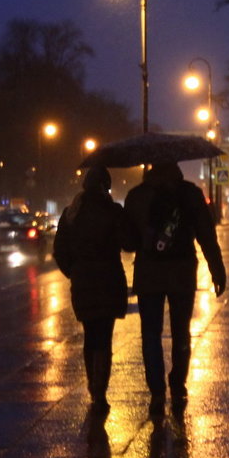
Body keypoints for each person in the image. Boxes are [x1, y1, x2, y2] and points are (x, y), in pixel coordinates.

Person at [124, 161, 226, 415]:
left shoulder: (137, 195)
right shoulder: (190, 193)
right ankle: (178, 385)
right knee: (181, 332)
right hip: (182, 271)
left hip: (149, 273)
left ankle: (157, 392)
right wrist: (217, 269)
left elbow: (127, 242)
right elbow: (206, 234)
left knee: (151, 334)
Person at [53, 166, 135, 415]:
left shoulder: (71, 214)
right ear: (105, 186)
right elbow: (129, 243)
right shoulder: (113, 211)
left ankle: (94, 388)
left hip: (83, 283)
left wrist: (75, 272)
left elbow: (60, 251)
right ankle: (100, 390)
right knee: (104, 337)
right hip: (109, 281)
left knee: (90, 335)